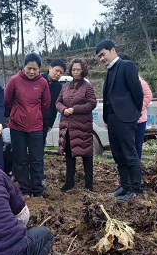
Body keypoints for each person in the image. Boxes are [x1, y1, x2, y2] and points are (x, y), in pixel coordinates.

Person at [96, 40, 144, 200]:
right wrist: (107, 118)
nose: (102, 59)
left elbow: (138, 93)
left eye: (103, 54)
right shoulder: (109, 71)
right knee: (118, 155)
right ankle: (125, 186)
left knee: (130, 154)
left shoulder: (127, 66)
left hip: (126, 118)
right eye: (99, 57)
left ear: (113, 50)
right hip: (112, 119)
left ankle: (136, 191)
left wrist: (133, 113)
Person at [5, 53, 51, 198]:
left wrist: (36, 115)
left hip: (36, 127)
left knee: (37, 159)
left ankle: (37, 191)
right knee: (20, 158)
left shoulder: (43, 83)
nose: (31, 72)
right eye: (29, 68)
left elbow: (45, 104)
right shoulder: (14, 81)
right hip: (17, 127)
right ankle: (25, 189)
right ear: (23, 67)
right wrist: (15, 114)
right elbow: (7, 101)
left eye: (35, 69)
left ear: (39, 69)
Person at [55, 59, 97, 192]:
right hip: (67, 126)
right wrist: (63, 109)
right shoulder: (65, 86)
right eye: (73, 69)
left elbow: (92, 103)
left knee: (86, 155)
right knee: (69, 155)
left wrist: (74, 109)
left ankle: (89, 184)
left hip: (82, 126)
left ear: (83, 70)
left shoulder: (87, 86)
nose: (76, 72)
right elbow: (58, 102)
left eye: (78, 69)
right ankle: (69, 182)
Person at [118, 54, 153, 161]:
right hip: (124, 120)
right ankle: (127, 173)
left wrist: (137, 108)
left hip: (139, 120)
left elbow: (148, 95)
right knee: (125, 147)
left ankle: (135, 171)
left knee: (137, 147)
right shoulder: (118, 81)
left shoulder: (139, 81)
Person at [42, 59, 66, 144]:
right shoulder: (39, 79)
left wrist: (50, 124)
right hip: (32, 119)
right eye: (57, 70)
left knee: (40, 147)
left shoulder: (59, 87)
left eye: (61, 72)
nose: (58, 74)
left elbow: (55, 106)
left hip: (44, 122)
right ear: (50, 68)